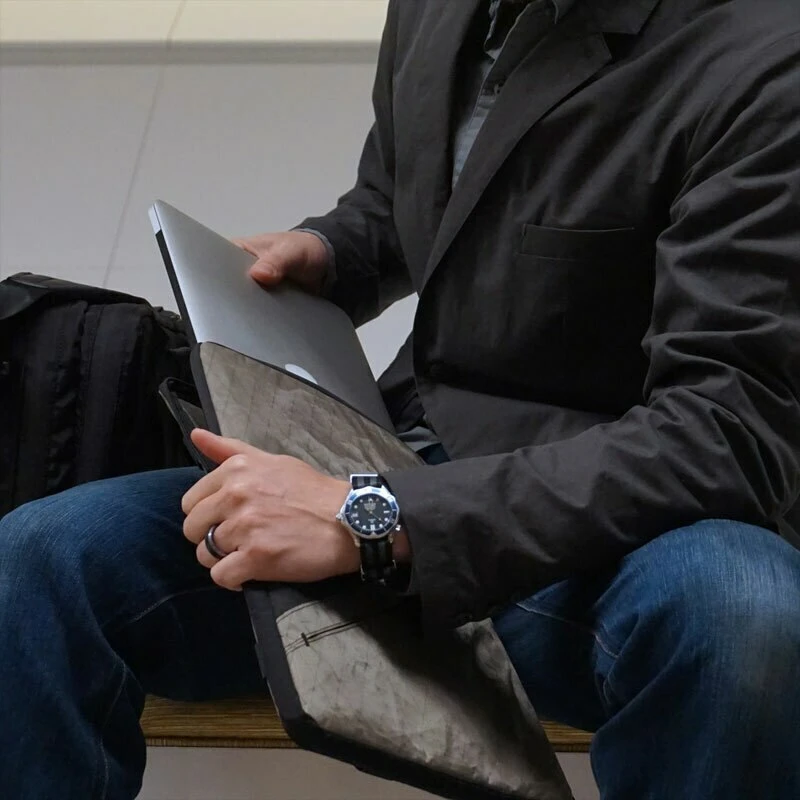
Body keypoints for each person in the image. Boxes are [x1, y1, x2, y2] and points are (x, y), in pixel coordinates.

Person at [2, 0, 800, 797]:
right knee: (43, 558)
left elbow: (724, 432)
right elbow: (405, 194)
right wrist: (331, 251)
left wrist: (374, 518)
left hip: (600, 532)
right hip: (402, 448)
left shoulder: (766, 62)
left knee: (744, 617)